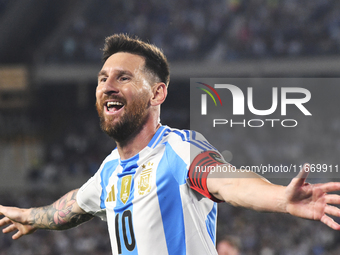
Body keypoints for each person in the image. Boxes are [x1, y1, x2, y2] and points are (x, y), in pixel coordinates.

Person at [1, 34, 340, 255]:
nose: (107, 86)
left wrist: (280, 198)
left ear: (157, 93)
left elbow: (229, 181)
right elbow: (74, 206)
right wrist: (32, 216)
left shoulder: (178, 149)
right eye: (103, 78)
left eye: (123, 77)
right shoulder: (108, 172)